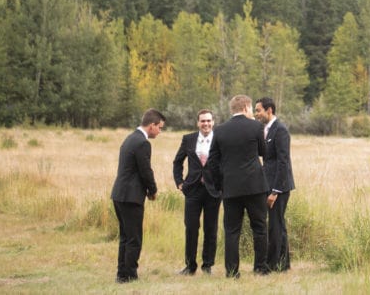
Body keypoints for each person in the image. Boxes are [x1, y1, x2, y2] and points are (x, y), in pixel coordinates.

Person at [206, 94, 269, 278]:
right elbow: (262, 151)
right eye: (251, 109)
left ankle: (232, 271)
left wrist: (220, 185)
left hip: (231, 188)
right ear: (246, 108)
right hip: (255, 186)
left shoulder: (219, 130)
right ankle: (260, 268)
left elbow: (212, 161)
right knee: (259, 227)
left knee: (232, 231)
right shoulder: (256, 127)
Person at [110, 108, 165, 284]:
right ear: (152, 125)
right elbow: (145, 170)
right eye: (160, 128)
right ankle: (130, 275)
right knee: (134, 238)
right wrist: (153, 190)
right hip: (131, 197)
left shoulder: (129, 138)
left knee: (125, 236)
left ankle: (122, 273)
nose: (160, 131)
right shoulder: (142, 143)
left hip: (119, 194)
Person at [172, 109, 221, 275]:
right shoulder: (188, 139)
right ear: (197, 123)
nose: (206, 124)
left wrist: (222, 185)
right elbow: (177, 162)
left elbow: (226, 163)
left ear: (213, 122)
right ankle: (190, 266)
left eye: (208, 121)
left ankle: (207, 265)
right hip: (192, 190)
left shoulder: (219, 139)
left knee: (210, 229)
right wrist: (179, 182)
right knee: (191, 227)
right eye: (202, 121)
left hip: (213, 191)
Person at [254, 96, 295, 272]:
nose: (256, 114)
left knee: (275, 226)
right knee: (278, 224)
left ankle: (272, 264)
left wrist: (275, 191)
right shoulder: (266, 129)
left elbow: (283, 162)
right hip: (268, 183)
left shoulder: (280, 130)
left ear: (269, 110)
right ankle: (283, 264)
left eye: (258, 110)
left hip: (280, 186)